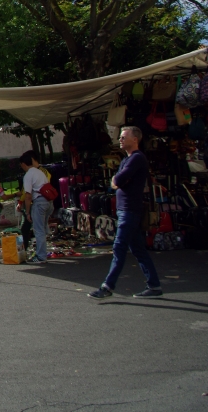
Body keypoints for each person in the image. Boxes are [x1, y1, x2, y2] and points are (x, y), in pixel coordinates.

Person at [89, 126, 163, 299]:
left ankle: (107, 286)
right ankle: (154, 285)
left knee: (119, 247)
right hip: (126, 210)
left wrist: (117, 181)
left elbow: (118, 180)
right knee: (138, 250)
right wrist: (117, 181)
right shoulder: (126, 160)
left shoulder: (137, 158)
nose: (120, 140)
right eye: (120, 137)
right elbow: (114, 181)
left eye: (124, 137)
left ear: (135, 139)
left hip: (130, 210)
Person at [20, 150, 51, 264]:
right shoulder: (40, 172)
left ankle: (41, 256)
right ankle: (41, 251)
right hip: (48, 202)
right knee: (42, 228)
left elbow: (28, 195)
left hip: (39, 202)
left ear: (24, 164)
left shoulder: (29, 175)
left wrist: (28, 212)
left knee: (38, 230)